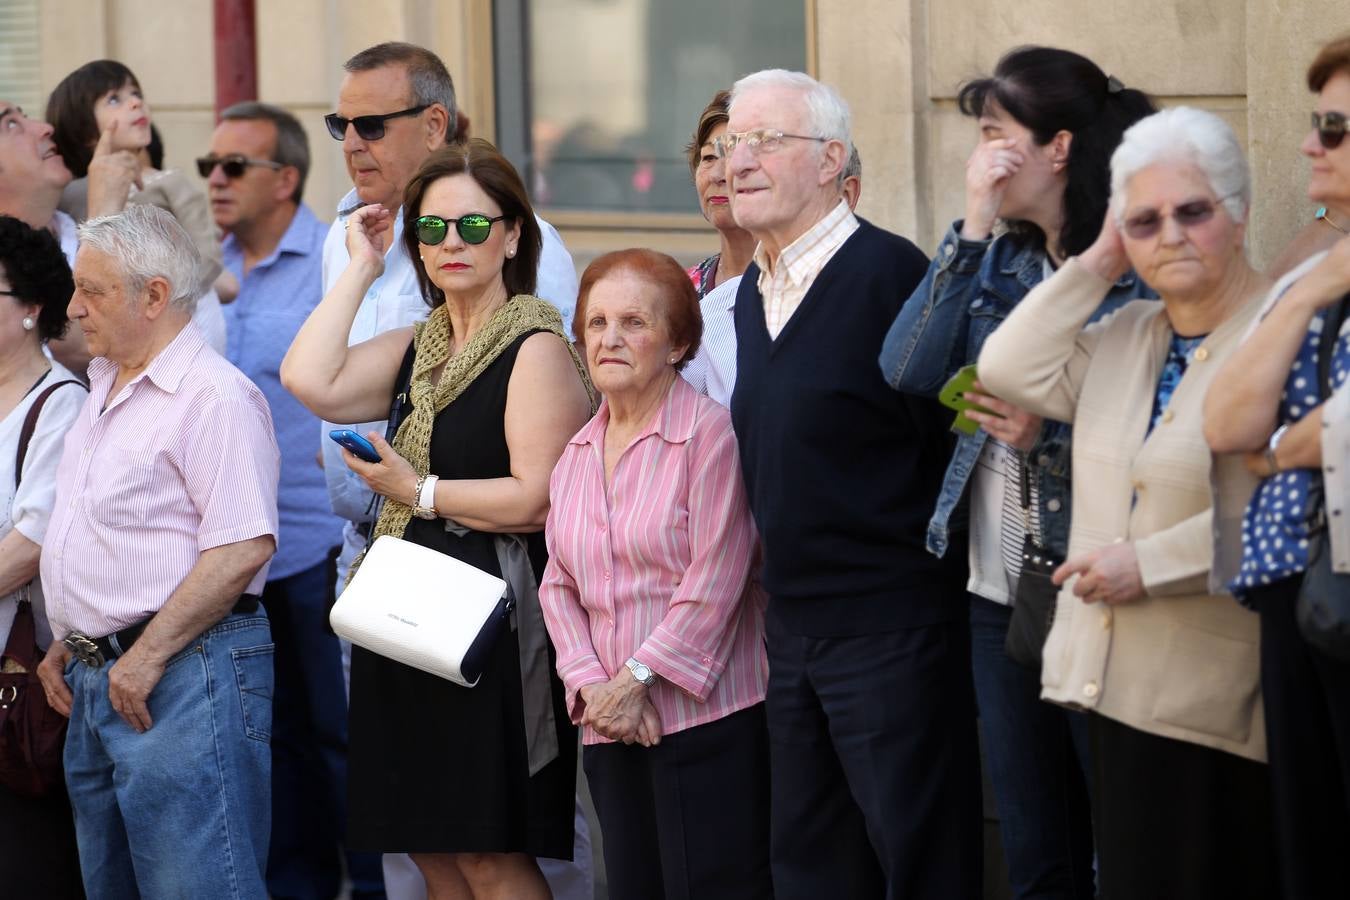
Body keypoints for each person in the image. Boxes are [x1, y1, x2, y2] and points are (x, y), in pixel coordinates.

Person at [977, 107, 1279, 899]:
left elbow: (1293, 513)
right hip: (1106, 694)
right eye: (1146, 219)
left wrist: (1148, 563)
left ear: (1239, 211)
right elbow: (1005, 367)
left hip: (1218, 708)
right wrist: (1102, 259)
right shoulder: (1126, 332)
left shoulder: (1282, 335)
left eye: (1193, 211)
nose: (1170, 235)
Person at [878, 46, 1156, 900]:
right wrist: (968, 226)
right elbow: (907, 367)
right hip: (993, 592)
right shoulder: (993, 257)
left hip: (1095, 581)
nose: (982, 152)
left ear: (1059, 146)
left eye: (996, 133)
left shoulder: (1136, 263)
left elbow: (1163, 424)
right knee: (1037, 849)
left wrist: (1048, 431)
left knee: (1123, 840)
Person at [316, 41, 592, 899]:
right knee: (430, 849)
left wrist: (418, 491)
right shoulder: (421, 341)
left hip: (492, 622)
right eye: (431, 229)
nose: (451, 242)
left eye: (474, 225)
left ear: (513, 234)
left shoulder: (536, 342)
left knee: (488, 853)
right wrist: (365, 265)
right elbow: (311, 381)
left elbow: (541, 497)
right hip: (406, 609)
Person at [722, 68, 979, 899]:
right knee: (812, 867)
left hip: (893, 631)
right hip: (792, 631)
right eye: (732, 142)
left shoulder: (890, 276)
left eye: (766, 139)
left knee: (918, 859)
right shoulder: (750, 294)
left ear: (832, 160)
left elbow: (951, 455)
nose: (738, 159)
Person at [34, 203, 280, 898]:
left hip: (177, 673)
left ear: (154, 296)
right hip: (106, 676)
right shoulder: (108, 382)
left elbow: (241, 547)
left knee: (201, 887)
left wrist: (142, 657)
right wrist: (70, 638)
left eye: (93, 290)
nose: (75, 308)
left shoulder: (213, 397)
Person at [540, 248, 771, 900]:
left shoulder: (709, 436)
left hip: (709, 720)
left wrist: (638, 680)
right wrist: (594, 689)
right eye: (596, 323)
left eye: (634, 323)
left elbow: (718, 577)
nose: (611, 338)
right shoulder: (578, 451)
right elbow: (558, 583)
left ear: (677, 343)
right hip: (610, 724)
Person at [204, 101, 378, 900]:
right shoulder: (208, 264)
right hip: (233, 559)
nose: (214, 180)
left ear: (287, 178)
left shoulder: (334, 260)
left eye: (233, 166)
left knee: (344, 736)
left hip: (314, 544)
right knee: (269, 741)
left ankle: (374, 885)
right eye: (210, 165)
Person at [1203, 34, 1350, 900]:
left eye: (1334, 129)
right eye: (1313, 123)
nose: (1308, 145)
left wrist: (1286, 447)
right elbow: (1227, 421)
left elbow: (1300, 438)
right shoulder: (1322, 269)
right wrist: (1310, 288)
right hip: (1306, 598)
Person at [0, 216, 87, 899]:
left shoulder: (60, 405)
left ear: (32, 307)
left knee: (28, 861)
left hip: (19, 677)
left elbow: (29, 547)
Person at [682, 93, 861, 408]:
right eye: (709, 157)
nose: (719, 175)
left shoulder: (823, 285)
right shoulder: (680, 290)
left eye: (742, 159)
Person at [45, 59, 227, 353]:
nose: (135, 103)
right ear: (84, 131)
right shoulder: (69, 195)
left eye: (136, 94)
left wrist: (166, 299)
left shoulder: (169, 182)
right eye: (115, 99)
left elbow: (208, 255)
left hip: (188, 316)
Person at [0, 101, 96, 374]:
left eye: (25, 116)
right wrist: (105, 207)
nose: (45, 128)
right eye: (10, 125)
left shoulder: (74, 226)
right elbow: (79, 345)